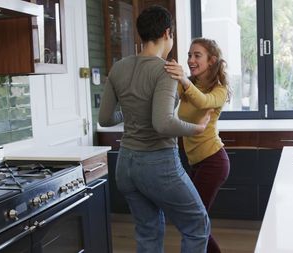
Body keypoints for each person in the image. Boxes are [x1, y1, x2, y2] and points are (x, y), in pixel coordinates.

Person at [98, 6, 211, 253]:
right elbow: (163, 124)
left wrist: (129, 113)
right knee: (197, 225)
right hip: (158, 164)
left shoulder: (118, 68)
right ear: (167, 33)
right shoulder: (166, 70)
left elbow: (105, 118)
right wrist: (198, 128)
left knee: (147, 232)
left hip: (125, 164)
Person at [164, 37, 232, 253]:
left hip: (213, 161)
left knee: (193, 219)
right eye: (189, 55)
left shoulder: (219, 89)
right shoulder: (190, 85)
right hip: (196, 163)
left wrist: (183, 79)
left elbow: (203, 101)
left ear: (211, 61)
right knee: (194, 219)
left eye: (197, 55)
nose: (191, 60)